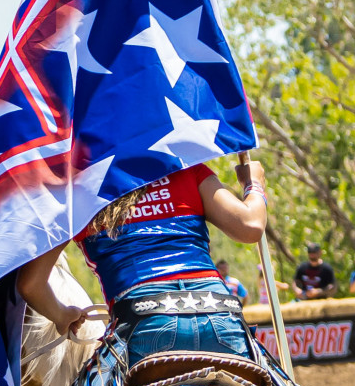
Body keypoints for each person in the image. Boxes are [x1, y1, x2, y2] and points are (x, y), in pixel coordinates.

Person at [13, 158, 267, 370]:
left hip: (142, 323)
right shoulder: (187, 168)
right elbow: (250, 226)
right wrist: (252, 182)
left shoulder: (76, 189)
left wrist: (61, 315)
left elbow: (31, 284)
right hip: (221, 314)